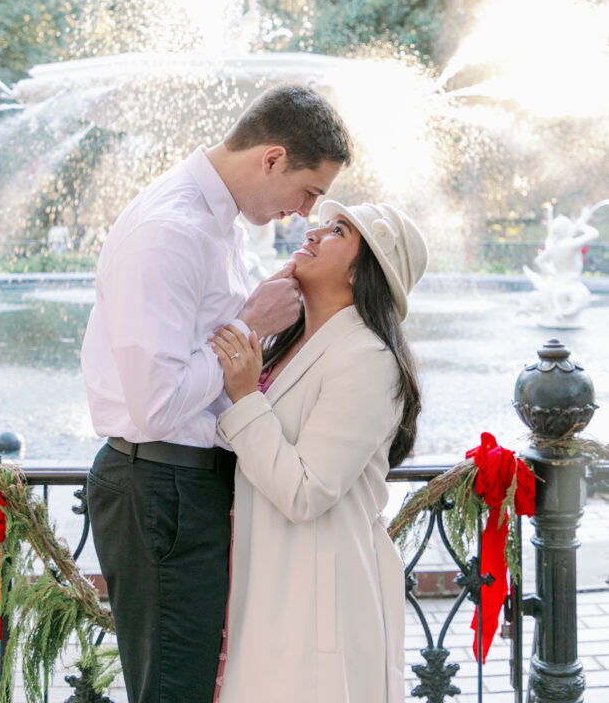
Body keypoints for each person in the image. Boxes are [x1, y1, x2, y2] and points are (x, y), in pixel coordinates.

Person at [81, 85, 352, 703]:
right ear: (272, 158)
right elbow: (156, 403)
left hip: (183, 487)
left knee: (195, 682)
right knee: (177, 689)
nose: (302, 212)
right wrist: (251, 323)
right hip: (160, 487)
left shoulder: (218, 223)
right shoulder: (170, 230)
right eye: (308, 192)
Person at [210, 200, 428, 703]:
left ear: (362, 271)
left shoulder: (369, 359)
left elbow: (307, 491)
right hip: (266, 583)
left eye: (338, 230)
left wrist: (245, 398)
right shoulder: (287, 346)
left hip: (315, 598)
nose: (313, 232)